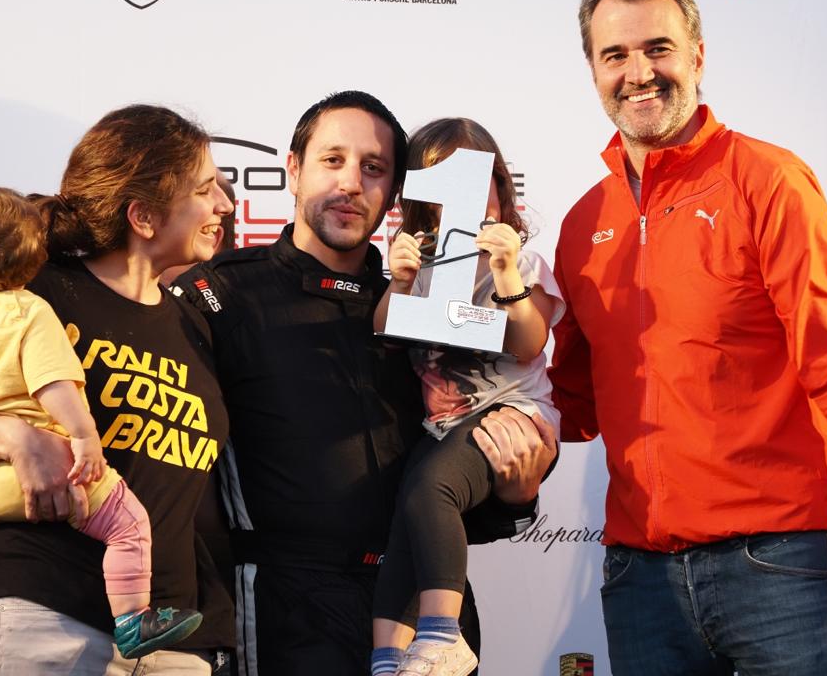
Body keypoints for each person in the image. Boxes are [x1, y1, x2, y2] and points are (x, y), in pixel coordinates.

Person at [549, 0, 827, 676]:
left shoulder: (768, 181)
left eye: (657, 48)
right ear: (593, 71)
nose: (638, 73)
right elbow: (571, 404)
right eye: (615, 55)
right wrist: (465, 377)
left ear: (697, 55)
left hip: (778, 567)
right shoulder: (582, 224)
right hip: (640, 581)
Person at [175, 91, 557, 676]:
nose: (352, 183)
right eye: (333, 160)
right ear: (294, 169)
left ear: (399, 192)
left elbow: (443, 486)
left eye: (374, 168)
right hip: (288, 619)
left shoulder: (425, 309)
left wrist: (515, 494)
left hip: (424, 620)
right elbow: (171, 473)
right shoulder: (222, 295)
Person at [0, 103, 236, 674]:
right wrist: (15, 439)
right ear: (144, 216)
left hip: (173, 637)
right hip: (45, 612)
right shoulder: (33, 292)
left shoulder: (196, 324)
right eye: (205, 189)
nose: (224, 203)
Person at [370, 118, 565, 676]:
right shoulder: (421, 264)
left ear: (500, 187)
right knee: (407, 515)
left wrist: (505, 273)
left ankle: (442, 634)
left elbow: (529, 343)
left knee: (430, 489)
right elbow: (384, 329)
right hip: (445, 430)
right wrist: (399, 282)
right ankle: (388, 657)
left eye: (477, 182)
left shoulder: (522, 263)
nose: (462, 199)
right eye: (440, 184)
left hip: (515, 418)